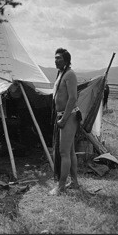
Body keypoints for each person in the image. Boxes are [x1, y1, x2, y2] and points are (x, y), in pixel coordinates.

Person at [49, 48, 82, 195]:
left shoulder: (70, 74)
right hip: (63, 115)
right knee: (70, 151)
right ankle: (74, 182)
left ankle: (60, 186)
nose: (56, 61)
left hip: (68, 116)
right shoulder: (62, 73)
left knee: (63, 153)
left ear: (67, 60)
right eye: (55, 58)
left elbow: (73, 98)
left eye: (59, 59)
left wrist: (64, 118)